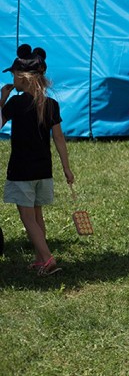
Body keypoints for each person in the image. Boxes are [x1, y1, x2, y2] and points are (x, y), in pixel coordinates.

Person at [0, 44, 74, 276]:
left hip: (22, 171)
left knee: (27, 218)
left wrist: (2, 100)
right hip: (44, 170)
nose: (11, 78)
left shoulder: (15, 103)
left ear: (22, 78)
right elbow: (59, 139)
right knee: (38, 215)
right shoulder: (51, 105)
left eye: (13, 74)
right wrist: (66, 168)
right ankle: (40, 258)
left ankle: (48, 258)